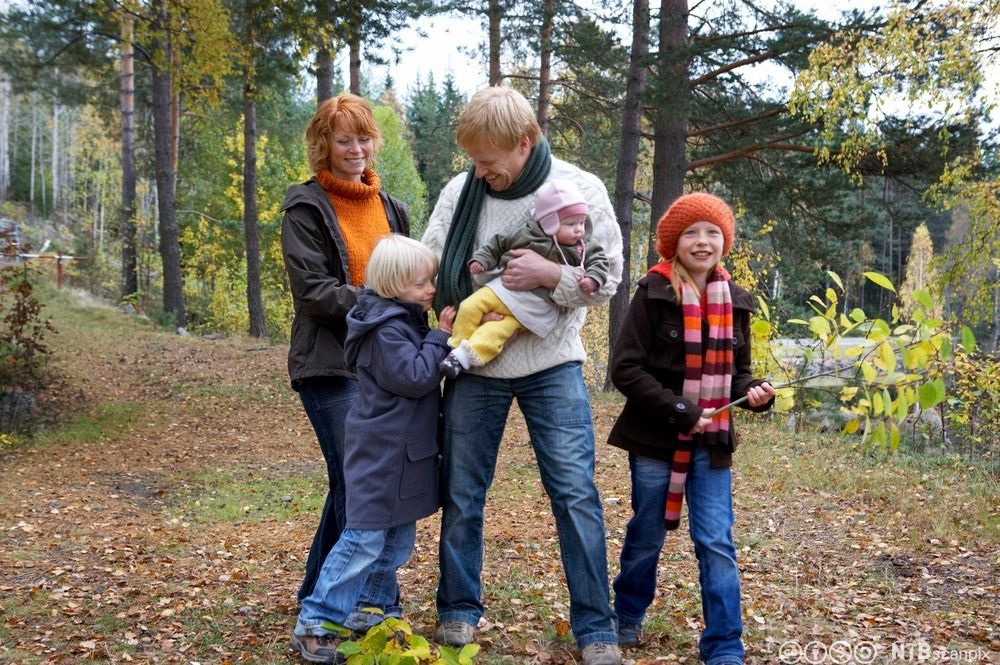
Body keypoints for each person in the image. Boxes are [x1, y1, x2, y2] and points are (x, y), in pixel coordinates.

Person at [422, 86, 624, 665]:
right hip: (476, 365)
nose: (481, 173)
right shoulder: (461, 191)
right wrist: (442, 302)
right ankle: (458, 609)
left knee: (574, 493)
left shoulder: (580, 188)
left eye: (490, 161)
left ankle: (596, 627)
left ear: (525, 142)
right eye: (474, 161)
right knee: (463, 491)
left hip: (551, 364)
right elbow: (432, 265)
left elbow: (604, 284)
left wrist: (546, 276)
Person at [607, 193, 776, 665]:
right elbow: (626, 369)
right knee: (646, 534)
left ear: (725, 242)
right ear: (673, 243)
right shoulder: (653, 292)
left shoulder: (737, 301)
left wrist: (757, 391)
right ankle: (627, 614)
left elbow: (739, 373)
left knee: (716, 541)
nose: (703, 242)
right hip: (655, 439)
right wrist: (681, 410)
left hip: (713, 443)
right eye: (691, 233)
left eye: (712, 233)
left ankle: (724, 645)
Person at [290, 234, 458, 664]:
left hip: (401, 452)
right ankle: (317, 622)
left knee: (395, 540)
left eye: (430, 281)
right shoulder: (385, 330)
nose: (431, 290)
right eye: (422, 283)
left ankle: (372, 608)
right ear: (393, 284)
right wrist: (441, 335)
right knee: (363, 538)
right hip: (383, 453)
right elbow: (416, 376)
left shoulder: (400, 322)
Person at [280, 93, 410, 606]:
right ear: (323, 144)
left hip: (385, 364)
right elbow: (314, 293)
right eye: (343, 139)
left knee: (353, 483)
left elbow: (412, 280)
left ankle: (319, 592)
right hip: (330, 363)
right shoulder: (306, 205)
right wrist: (385, 298)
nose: (355, 149)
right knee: (358, 482)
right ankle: (362, 602)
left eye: (362, 138)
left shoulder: (391, 207)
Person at [439, 178, 611, 378]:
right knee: (470, 307)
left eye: (582, 222)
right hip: (503, 290)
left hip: (533, 307)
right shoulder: (526, 232)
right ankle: (456, 347)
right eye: (571, 224)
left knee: (497, 332)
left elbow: (600, 262)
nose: (579, 229)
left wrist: (593, 278)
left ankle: (463, 359)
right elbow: (498, 244)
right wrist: (481, 260)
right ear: (549, 222)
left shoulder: (582, 246)